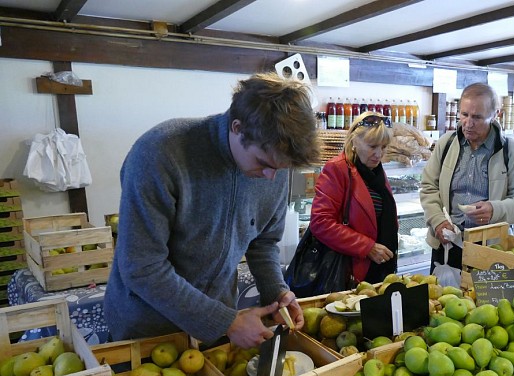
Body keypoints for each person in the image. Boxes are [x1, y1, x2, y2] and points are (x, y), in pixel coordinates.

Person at [104, 72, 320, 349]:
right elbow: (142, 266)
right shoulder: (159, 154)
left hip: (215, 327)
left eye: (279, 169)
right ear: (237, 127)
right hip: (147, 330)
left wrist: (276, 293)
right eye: (263, 163)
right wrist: (225, 322)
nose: (270, 177)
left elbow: (263, 243)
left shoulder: (274, 166)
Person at [420, 83, 514, 270]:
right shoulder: (446, 144)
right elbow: (428, 187)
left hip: (491, 250)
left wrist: (495, 209)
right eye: (464, 114)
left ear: (495, 115)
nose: (468, 123)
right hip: (447, 246)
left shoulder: (510, 151)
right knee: (442, 298)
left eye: (477, 117)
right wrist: (438, 221)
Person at [309, 111, 398, 285]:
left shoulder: (376, 171)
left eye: (384, 147)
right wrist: (367, 247)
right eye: (373, 146)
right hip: (349, 271)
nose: (379, 154)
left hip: (380, 268)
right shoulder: (337, 169)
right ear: (354, 142)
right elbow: (321, 222)